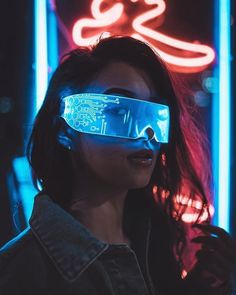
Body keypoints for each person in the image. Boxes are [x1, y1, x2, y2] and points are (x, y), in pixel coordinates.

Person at [0, 36, 235, 295]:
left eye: (154, 115)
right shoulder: (22, 271)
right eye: (119, 112)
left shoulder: (154, 248)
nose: (146, 132)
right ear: (65, 131)